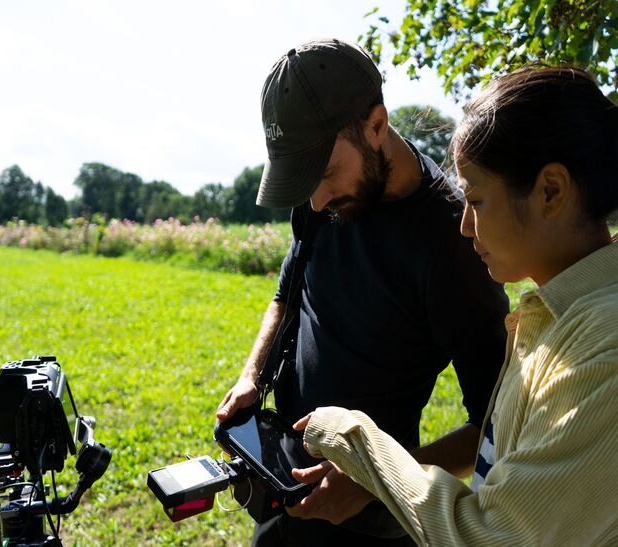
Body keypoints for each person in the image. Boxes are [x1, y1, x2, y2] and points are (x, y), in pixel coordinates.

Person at [297, 65, 618, 546]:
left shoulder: (602, 351)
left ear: (551, 191)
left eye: (477, 200)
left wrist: (353, 438)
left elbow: (490, 537)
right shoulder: (552, 316)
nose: (465, 226)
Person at [215, 38, 510, 545]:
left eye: (327, 173)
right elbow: (289, 290)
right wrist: (252, 375)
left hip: (370, 522)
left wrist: (379, 480)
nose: (318, 199)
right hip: (282, 474)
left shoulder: (457, 244)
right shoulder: (318, 196)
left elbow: (495, 426)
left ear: (376, 125)